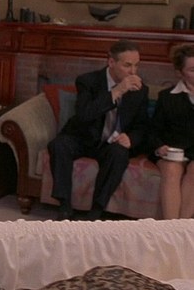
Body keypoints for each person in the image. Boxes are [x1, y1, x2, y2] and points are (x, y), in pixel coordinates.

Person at [48, 39, 149, 221]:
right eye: (127, 65)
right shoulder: (88, 81)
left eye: (136, 65)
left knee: (119, 154)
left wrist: (131, 138)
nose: (133, 72)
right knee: (59, 145)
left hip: (111, 143)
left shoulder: (140, 90)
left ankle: (96, 211)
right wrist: (117, 91)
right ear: (111, 62)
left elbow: (142, 125)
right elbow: (85, 114)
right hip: (83, 136)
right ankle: (64, 206)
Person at [146, 44, 194, 219]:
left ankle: (180, 228)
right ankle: (169, 227)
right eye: (192, 70)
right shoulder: (167, 97)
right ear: (180, 73)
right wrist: (160, 147)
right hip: (172, 151)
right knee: (172, 171)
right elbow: (153, 130)